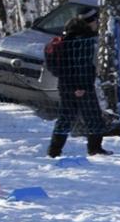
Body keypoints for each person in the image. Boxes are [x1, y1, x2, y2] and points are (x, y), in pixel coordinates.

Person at [47, 8, 111, 158]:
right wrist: (80, 87)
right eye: (96, 20)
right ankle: (95, 149)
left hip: (65, 84)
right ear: (91, 21)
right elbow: (81, 65)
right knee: (93, 117)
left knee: (66, 117)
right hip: (81, 86)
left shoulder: (68, 36)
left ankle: (54, 151)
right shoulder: (85, 40)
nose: (98, 24)